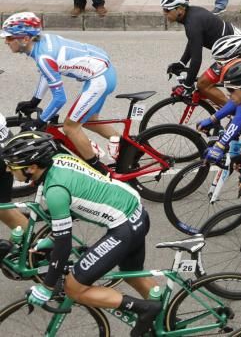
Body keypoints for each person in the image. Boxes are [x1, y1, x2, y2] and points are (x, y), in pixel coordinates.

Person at [0, 132, 161, 335]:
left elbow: (64, 245)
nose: (7, 169)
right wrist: (52, 239)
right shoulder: (59, 159)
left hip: (124, 227)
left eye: (12, 165)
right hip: (136, 211)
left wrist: (47, 287)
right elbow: (77, 196)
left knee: (73, 288)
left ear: (31, 168)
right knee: (133, 274)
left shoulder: (55, 191)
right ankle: (165, 322)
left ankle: (146, 309)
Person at [2, 13, 117, 174]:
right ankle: (128, 147)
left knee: (71, 127)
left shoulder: (43, 56)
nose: (6, 41)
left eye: (9, 38)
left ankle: (100, 172)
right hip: (103, 72)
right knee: (90, 120)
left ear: (25, 39)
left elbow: (60, 98)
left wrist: (40, 121)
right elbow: (46, 74)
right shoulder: (41, 43)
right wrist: (34, 101)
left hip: (100, 79)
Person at [161, 0, 241, 106]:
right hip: (232, 50)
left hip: (235, 54)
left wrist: (187, 85)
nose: (164, 13)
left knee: (202, 84)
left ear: (179, 9)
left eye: (167, 10)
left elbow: (196, 59)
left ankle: (234, 112)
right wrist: (182, 63)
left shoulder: (192, 23)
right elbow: (194, 42)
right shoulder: (191, 15)